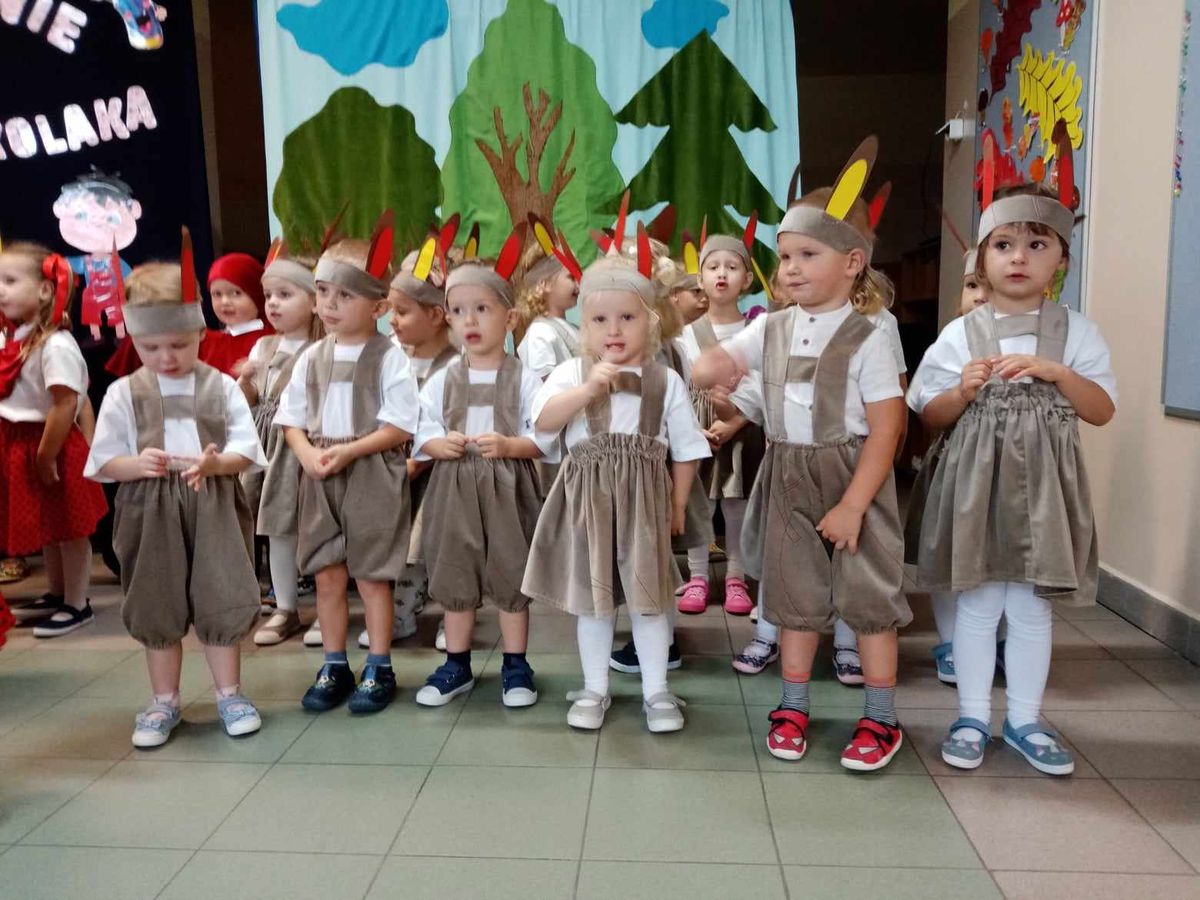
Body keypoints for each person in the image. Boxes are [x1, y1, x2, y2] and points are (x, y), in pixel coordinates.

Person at [692, 138, 911, 771]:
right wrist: (713, 369)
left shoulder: (872, 333)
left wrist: (854, 505)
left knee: (868, 602)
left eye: (807, 255)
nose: (789, 268)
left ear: (852, 262)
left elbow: (888, 427)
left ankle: (881, 717)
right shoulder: (771, 325)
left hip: (852, 473)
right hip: (787, 471)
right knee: (793, 597)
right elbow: (716, 363)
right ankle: (792, 705)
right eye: (785, 255)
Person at [908, 182, 1115, 775]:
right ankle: (972, 717)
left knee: (1029, 609)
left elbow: (1101, 410)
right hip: (975, 493)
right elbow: (929, 413)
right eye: (1003, 245)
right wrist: (961, 392)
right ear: (982, 258)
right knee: (977, 605)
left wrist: (1059, 374)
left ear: (1061, 260)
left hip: (1044, 497)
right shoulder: (960, 334)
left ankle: (1024, 720)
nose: (1019, 257)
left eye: (1036, 244)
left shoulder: (1077, 333)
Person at [523, 236, 710, 734]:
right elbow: (542, 423)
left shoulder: (665, 381)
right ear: (583, 326)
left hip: (645, 507)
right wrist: (588, 390)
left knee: (651, 603)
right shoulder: (571, 372)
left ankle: (657, 691)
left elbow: (687, 449)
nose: (613, 329)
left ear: (650, 321)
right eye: (599, 319)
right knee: (594, 603)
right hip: (588, 506)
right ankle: (594, 687)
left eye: (627, 317)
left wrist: (677, 506)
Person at [85, 235, 266, 748]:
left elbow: (246, 449)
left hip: (212, 501)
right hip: (149, 507)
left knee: (221, 592)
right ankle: (163, 699)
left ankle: (229, 693)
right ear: (134, 340)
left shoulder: (221, 386)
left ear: (199, 332)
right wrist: (135, 464)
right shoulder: (124, 393)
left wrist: (217, 463)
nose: (166, 357)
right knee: (155, 598)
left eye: (179, 345)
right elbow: (104, 460)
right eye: (151, 347)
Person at [276, 216, 420, 715]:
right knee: (327, 575)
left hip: (371, 472)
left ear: (378, 307)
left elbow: (400, 426)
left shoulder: (390, 357)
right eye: (322, 292)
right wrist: (306, 453)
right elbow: (291, 419)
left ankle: (378, 665)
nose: (329, 305)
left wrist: (351, 450)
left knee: (373, 576)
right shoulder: (311, 357)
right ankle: (334, 664)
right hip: (321, 474)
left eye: (344, 295)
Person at [413, 244, 552, 707]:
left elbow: (544, 434)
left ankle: (516, 664)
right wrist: (436, 444)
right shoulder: (443, 379)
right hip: (453, 488)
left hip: (509, 487)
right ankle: (457, 665)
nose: (468, 320)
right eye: (457, 311)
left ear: (510, 319)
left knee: (512, 571)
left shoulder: (524, 378)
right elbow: (421, 426)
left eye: (481, 309)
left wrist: (512, 446)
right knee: (455, 570)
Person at [0, 242, 106, 638]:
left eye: (10, 281)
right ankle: (57, 592)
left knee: (70, 529)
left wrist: (45, 456)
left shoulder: (55, 344)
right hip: (18, 442)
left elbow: (67, 403)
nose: (1, 290)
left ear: (45, 290)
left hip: (50, 444)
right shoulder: (15, 338)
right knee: (49, 524)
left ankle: (78, 603)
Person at [238, 241, 323, 646]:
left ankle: (327, 608)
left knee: (317, 528)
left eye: (285, 295)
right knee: (276, 529)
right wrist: (244, 383)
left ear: (313, 302)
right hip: (268, 445)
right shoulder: (264, 346)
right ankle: (286, 608)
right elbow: (254, 400)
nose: (272, 303)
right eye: (269, 295)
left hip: (304, 444)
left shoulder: (321, 349)